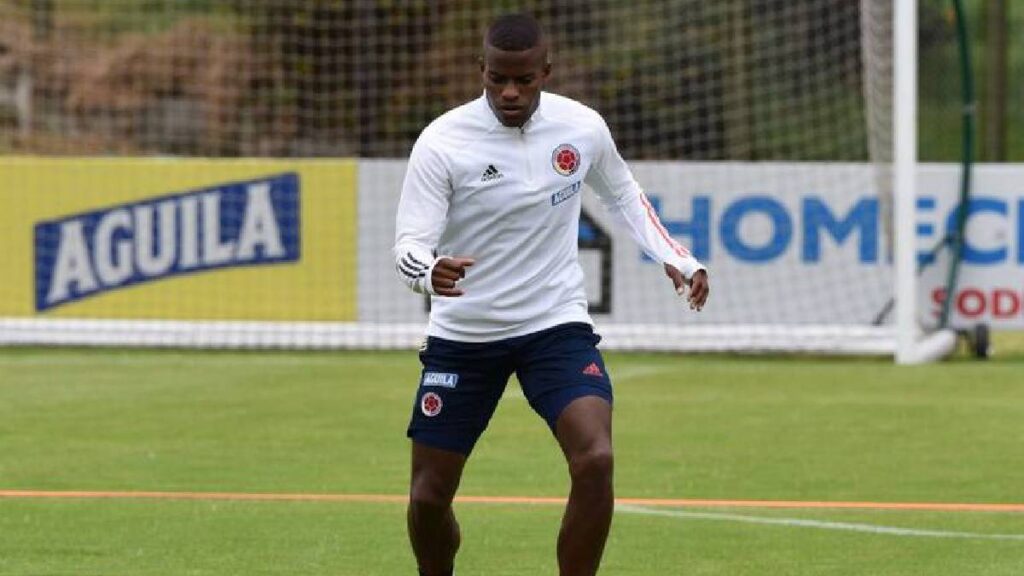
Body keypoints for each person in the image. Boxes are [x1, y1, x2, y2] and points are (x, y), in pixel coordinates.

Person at [393, 13, 709, 576]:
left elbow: (624, 196)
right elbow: (409, 244)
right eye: (497, 80)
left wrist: (677, 258)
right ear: (481, 71)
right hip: (465, 334)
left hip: (553, 326)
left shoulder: (582, 127)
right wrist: (428, 269)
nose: (509, 93)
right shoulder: (442, 141)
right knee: (427, 497)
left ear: (545, 72)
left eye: (523, 81)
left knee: (597, 458)